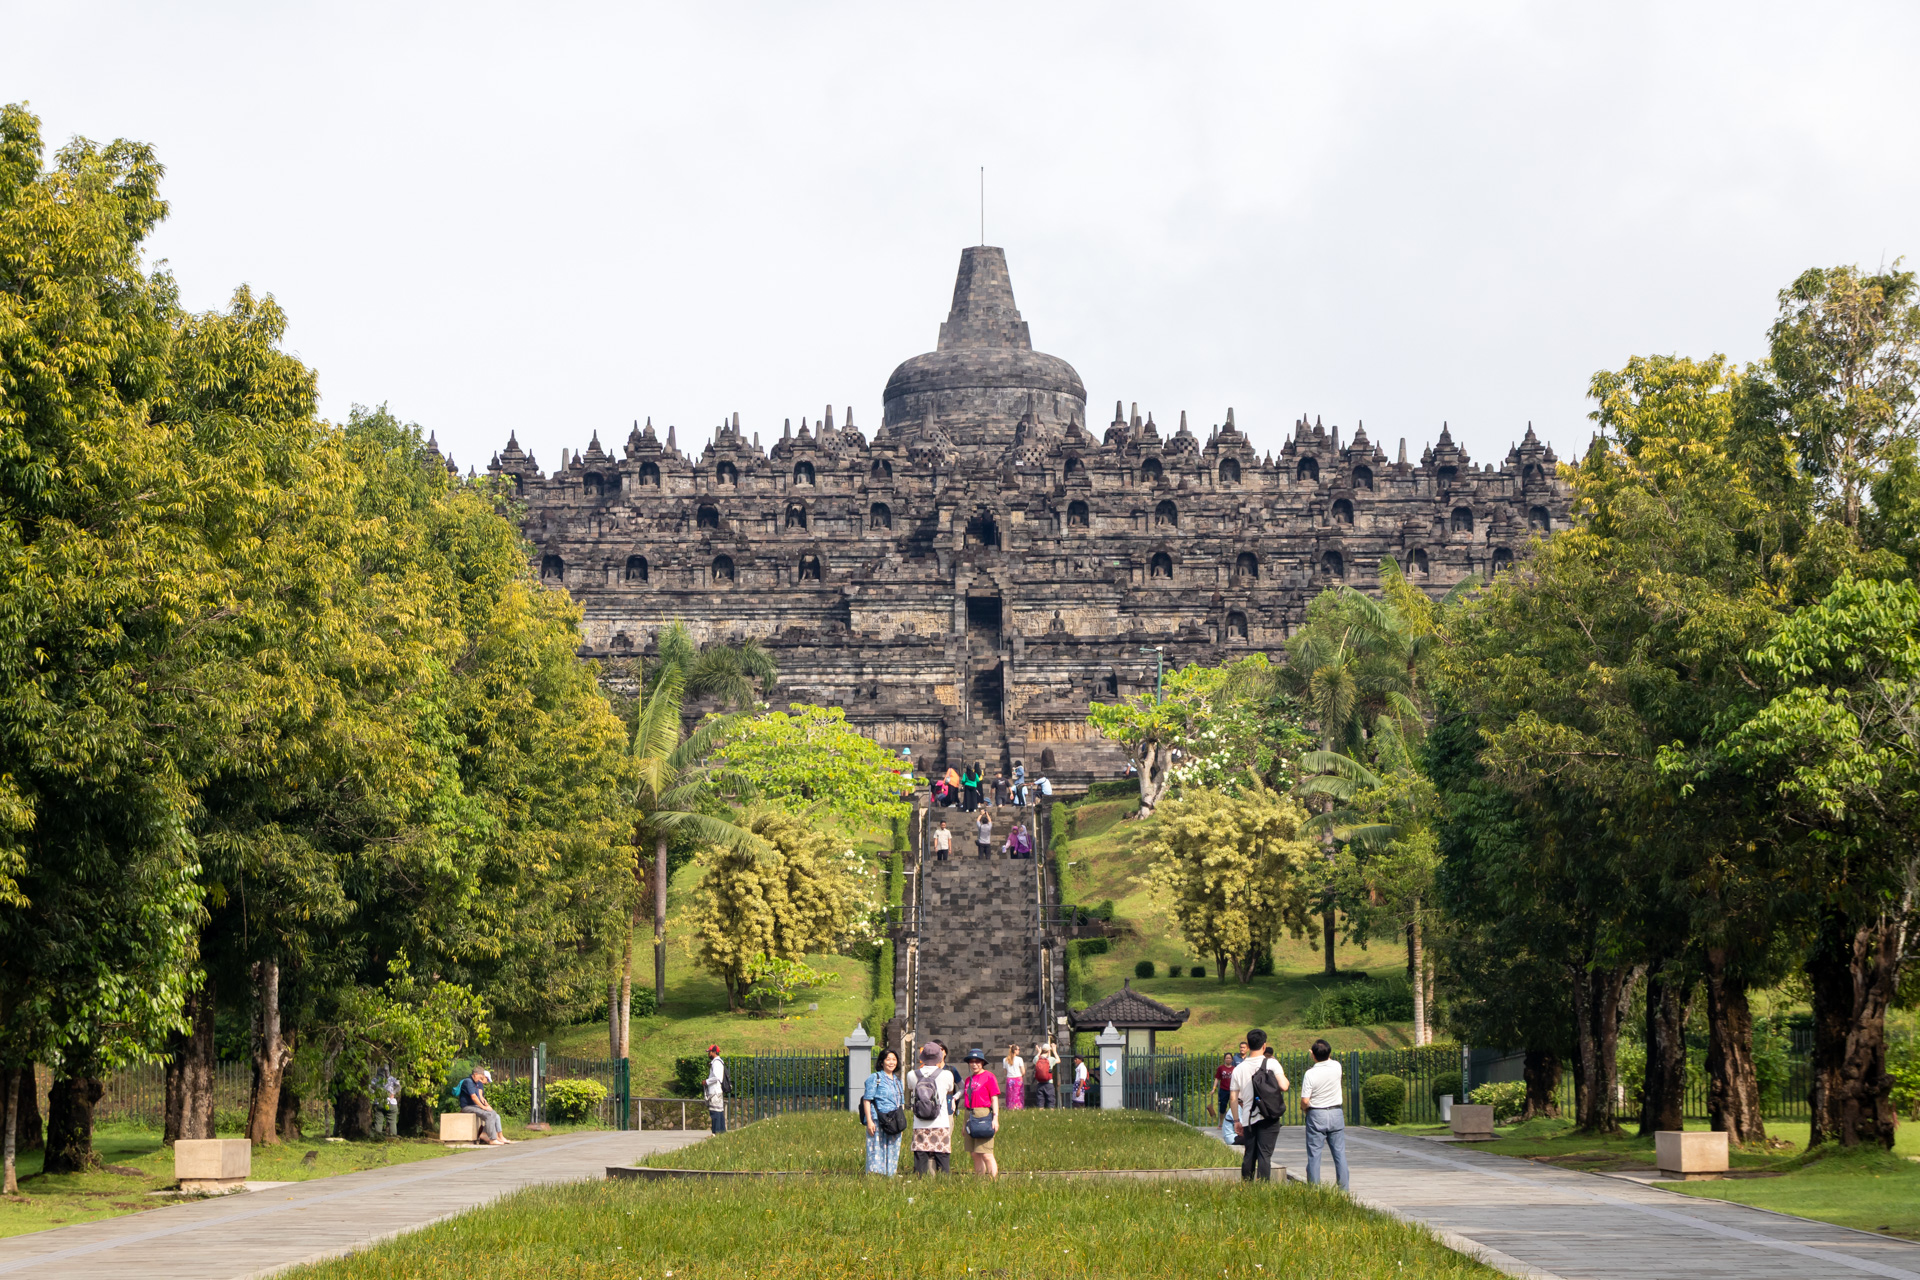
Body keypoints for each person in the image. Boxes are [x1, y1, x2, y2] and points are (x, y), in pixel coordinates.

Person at [1231, 1028, 1289, 1181]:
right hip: (1269, 1115)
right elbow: (1284, 1086)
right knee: (1265, 1154)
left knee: (1250, 1153)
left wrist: (1237, 1120)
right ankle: (1263, 1188)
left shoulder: (1238, 1069)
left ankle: (1246, 1185)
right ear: (1264, 1045)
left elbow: (1233, 1097)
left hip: (1248, 1117)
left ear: (1248, 1046)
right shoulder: (1271, 1063)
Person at [1300, 1037, 1350, 1190]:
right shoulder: (1336, 1066)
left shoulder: (1310, 1074)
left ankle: (1314, 1189)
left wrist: (1305, 1109)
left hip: (1317, 1114)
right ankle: (1344, 1189)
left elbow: (1305, 1100)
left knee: (1314, 1153)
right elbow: (1327, 1058)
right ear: (1329, 1053)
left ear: (1313, 1055)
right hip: (1335, 1112)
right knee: (1339, 1153)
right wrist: (1319, 1052)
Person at [907, 1042, 957, 1175]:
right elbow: (950, 1089)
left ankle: (920, 1186)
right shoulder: (947, 1075)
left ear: (922, 1057)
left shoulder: (912, 1074)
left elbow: (911, 1088)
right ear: (940, 1057)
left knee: (920, 1160)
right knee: (943, 1160)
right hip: (941, 1122)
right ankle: (944, 1186)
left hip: (920, 1123)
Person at [861, 1048, 906, 1175]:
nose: (891, 1062)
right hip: (878, 1118)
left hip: (894, 1120)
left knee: (893, 1149)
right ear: (882, 1062)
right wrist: (869, 1121)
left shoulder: (898, 1081)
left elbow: (900, 1103)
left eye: (894, 1059)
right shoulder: (875, 1078)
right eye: (888, 1059)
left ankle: (890, 1175)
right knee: (876, 1148)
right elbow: (867, 1100)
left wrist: (901, 1124)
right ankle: (875, 1176)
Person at [959, 1048, 1002, 1177]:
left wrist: (995, 1118)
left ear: (982, 1062)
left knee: (986, 1153)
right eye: (971, 1061)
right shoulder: (968, 1080)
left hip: (983, 1114)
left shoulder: (989, 1076)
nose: (974, 1064)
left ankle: (993, 1181)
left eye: (977, 1061)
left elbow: (994, 1098)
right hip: (970, 1114)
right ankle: (979, 1180)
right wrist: (964, 1125)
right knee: (974, 1153)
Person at [456, 1067, 507, 1145]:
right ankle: (492, 1139)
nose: (481, 1080)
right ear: (475, 1074)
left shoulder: (475, 1082)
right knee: (489, 1114)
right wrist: (483, 1107)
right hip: (467, 1107)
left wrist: (485, 1104)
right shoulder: (468, 1082)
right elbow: (474, 1097)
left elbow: (479, 1096)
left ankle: (484, 1134)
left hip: (474, 1106)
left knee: (493, 1113)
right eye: (480, 1077)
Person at [705, 1044, 730, 1134]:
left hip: (715, 1091)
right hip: (717, 1091)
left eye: (710, 1052)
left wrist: (706, 1082)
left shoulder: (716, 1063)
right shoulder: (718, 1062)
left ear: (714, 1052)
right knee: (719, 1111)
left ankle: (716, 1132)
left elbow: (717, 1077)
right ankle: (721, 1131)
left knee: (714, 1112)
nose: (708, 1054)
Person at [1212, 1052, 1236, 1144]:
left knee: (1233, 1107)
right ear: (1224, 1059)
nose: (1228, 1059)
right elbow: (1217, 1079)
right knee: (1222, 1107)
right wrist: (1214, 1088)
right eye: (1226, 1058)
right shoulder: (1221, 1068)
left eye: (1229, 1058)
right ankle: (1221, 1122)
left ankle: (1233, 1123)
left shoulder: (1235, 1069)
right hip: (1223, 1090)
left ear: (1232, 1060)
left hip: (1233, 1090)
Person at [1031, 1042, 1056, 1109]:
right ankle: (1051, 1115)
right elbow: (1058, 1060)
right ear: (1049, 1051)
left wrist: (1038, 1052)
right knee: (1051, 1101)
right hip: (1049, 1083)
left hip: (1039, 1083)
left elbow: (1034, 1060)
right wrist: (1054, 1051)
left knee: (1040, 1102)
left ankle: (1040, 1114)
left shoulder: (1037, 1059)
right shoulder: (1051, 1059)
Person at [1003, 1043, 1025, 1111]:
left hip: (1009, 1079)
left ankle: (1010, 1107)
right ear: (1015, 1050)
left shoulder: (1005, 1060)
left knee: (1010, 1095)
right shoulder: (1019, 1059)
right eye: (1018, 1049)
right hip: (1018, 1079)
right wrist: (1021, 1076)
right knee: (1019, 1094)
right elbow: (1023, 1071)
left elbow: (1005, 1071)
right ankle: (1019, 1107)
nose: (1019, 1051)